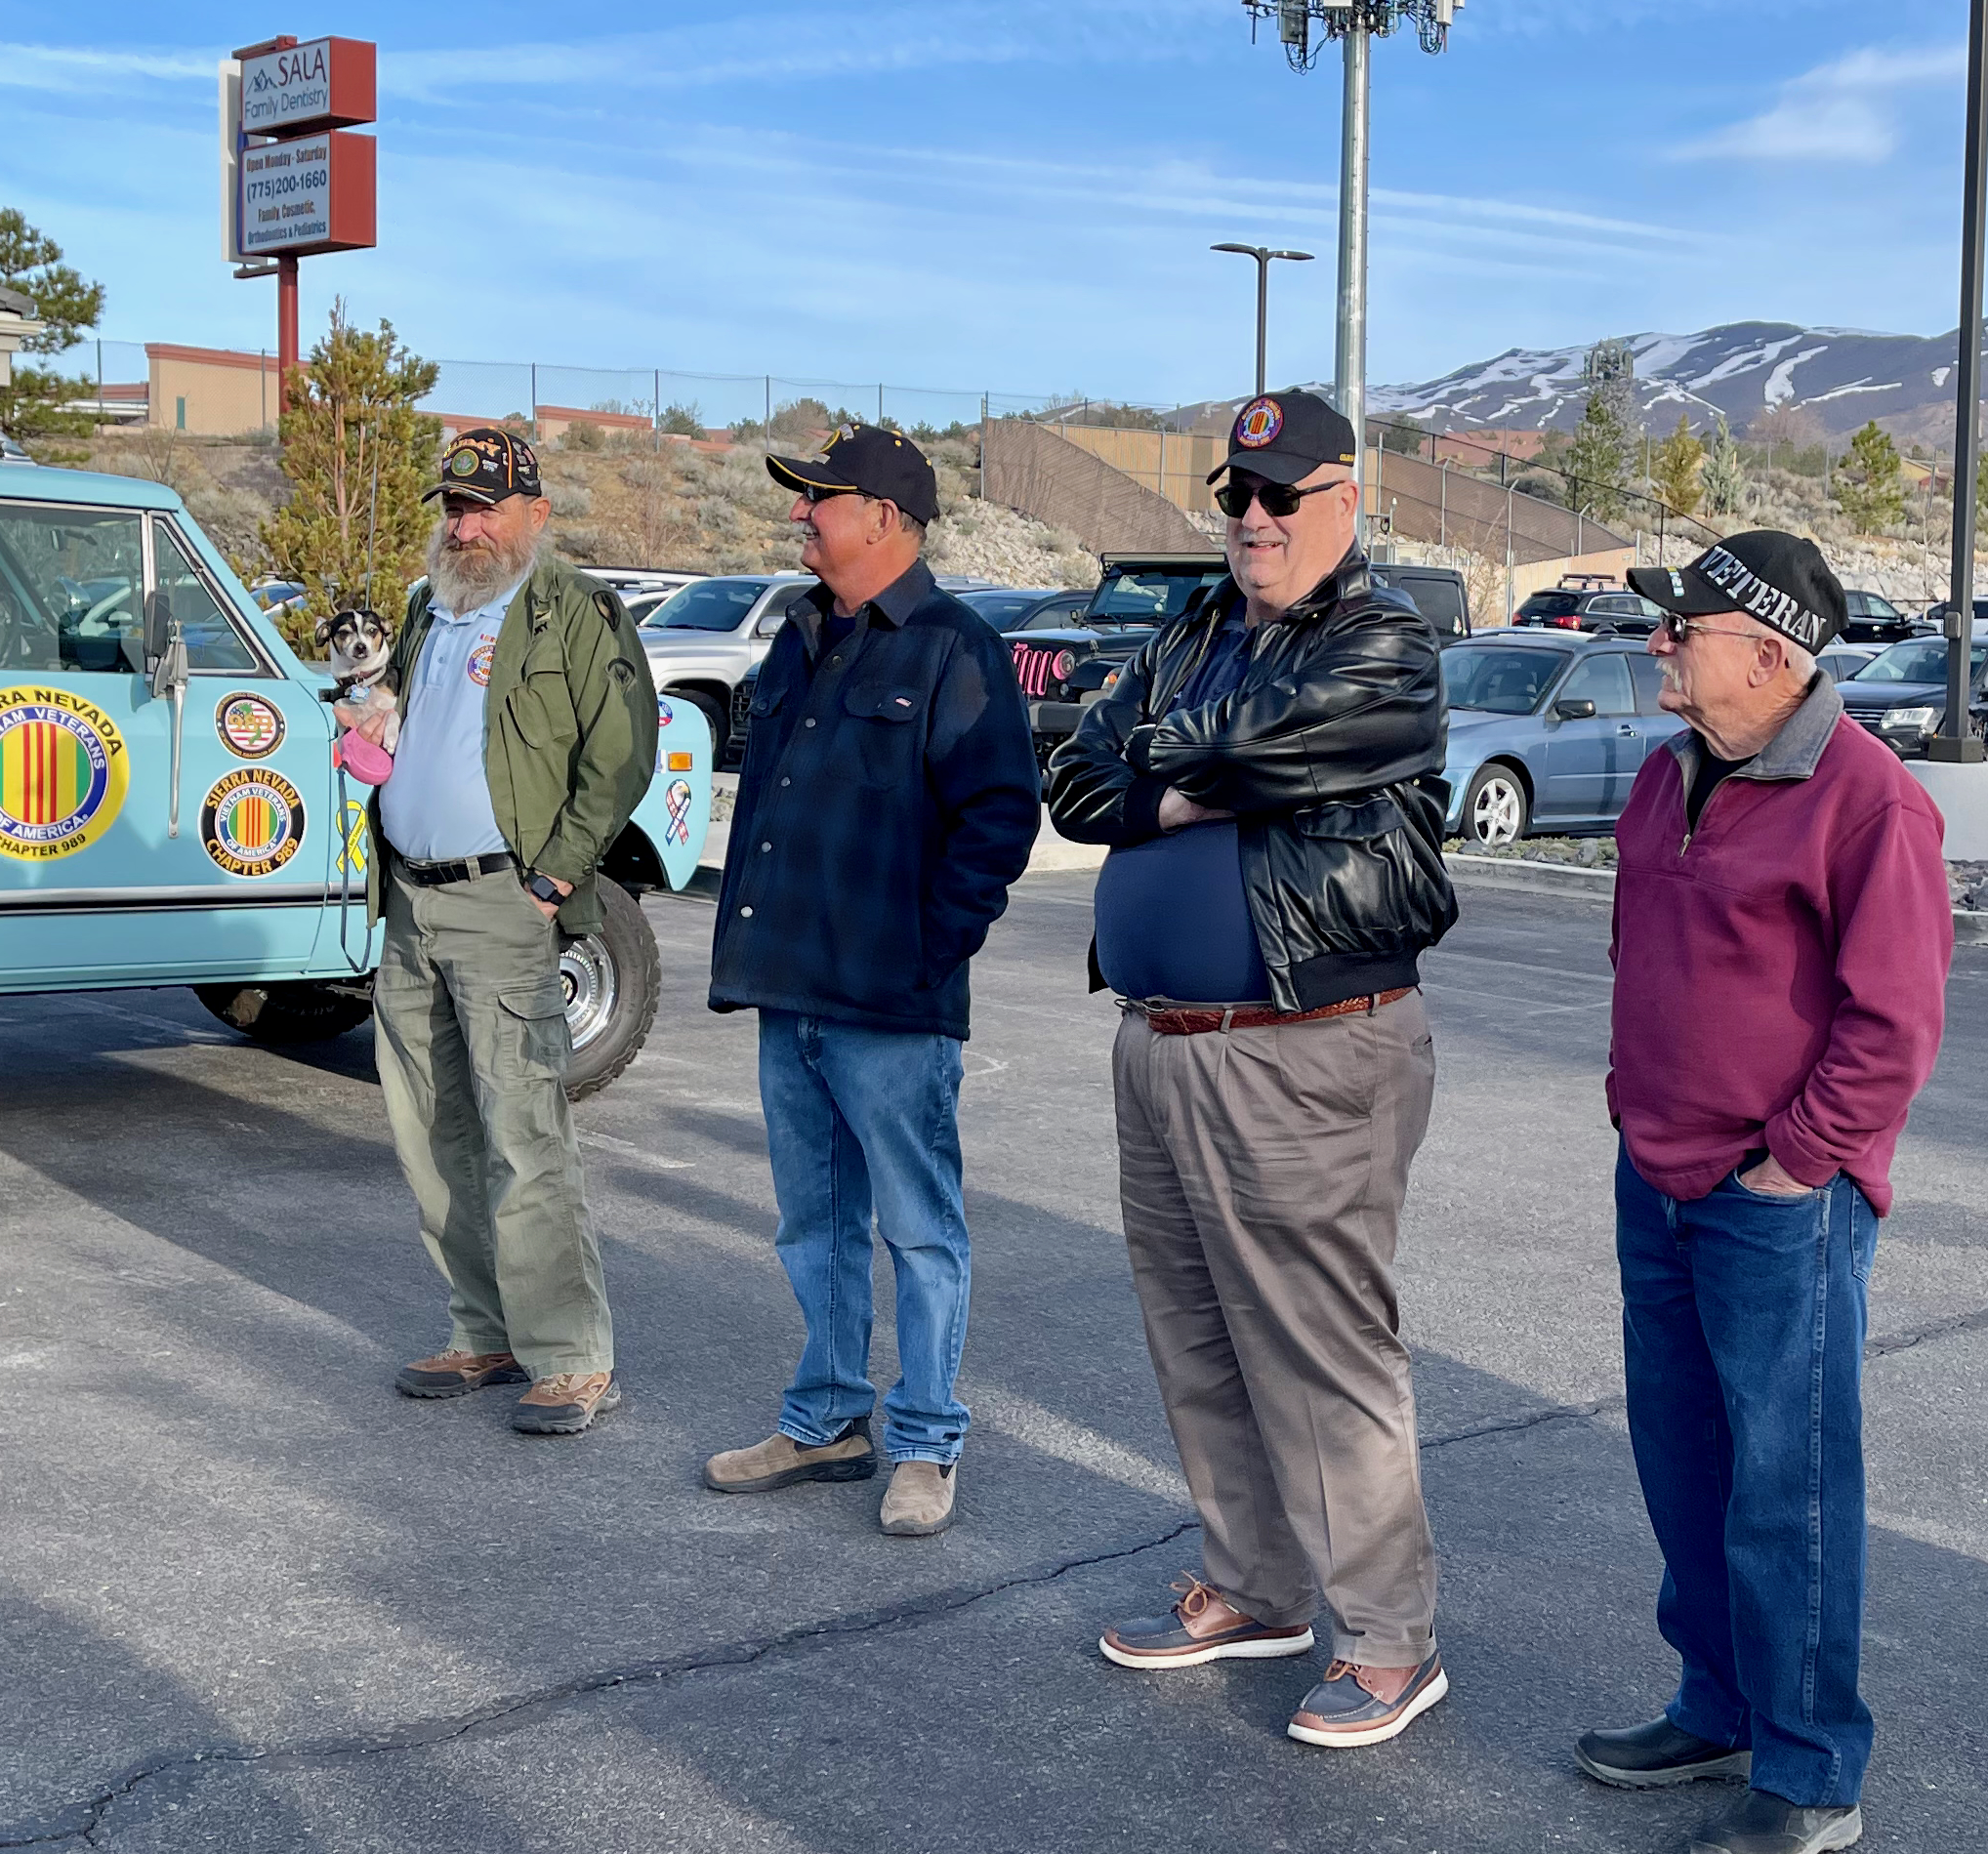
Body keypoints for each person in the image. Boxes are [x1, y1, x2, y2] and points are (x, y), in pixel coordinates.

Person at [1043, 391, 1459, 1748]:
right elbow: (1078, 780)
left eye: (1282, 494)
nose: (1255, 519)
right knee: (1198, 1333)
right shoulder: (1192, 628)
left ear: (1346, 498)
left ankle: (1388, 1640)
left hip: (1305, 1046)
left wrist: (1178, 761)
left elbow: (1267, 743)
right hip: (1162, 1040)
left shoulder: (1384, 638)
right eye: (1237, 495)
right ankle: (1257, 1585)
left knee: (1323, 1348)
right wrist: (1195, 774)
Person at [1578, 535, 1949, 1854]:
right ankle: (1719, 1703)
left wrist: (1795, 1158)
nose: (1660, 644)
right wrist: (1635, 1101)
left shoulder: (1872, 803)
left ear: (1773, 655)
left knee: (1787, 1489)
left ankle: (1810, 1773)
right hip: (1657, 1174)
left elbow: (1893, 1026)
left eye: (1684, 629)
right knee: (1684, 1461)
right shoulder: (1668, 772)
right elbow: (1640, 949)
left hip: (1777, 1199)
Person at [700, 424, 1038, 1538]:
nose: (801, 514)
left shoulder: (953, 648)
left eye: (821, 499)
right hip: (791, 988)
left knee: (920, 1230)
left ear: (885, 518)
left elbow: (997, 822)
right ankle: (826, 1420)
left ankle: (927, 1441)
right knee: (815, 1224)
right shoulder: (802, 637)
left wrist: (926, 955)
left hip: (891, 1007)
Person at [362, 426, 658, 1436]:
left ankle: (570, 1357)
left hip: (503, 903)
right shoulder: (428, 608)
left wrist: (553, 878)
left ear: (535, 512)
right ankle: (481, 1330)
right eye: (455, 508)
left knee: (524, 1133)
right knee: (431, 1130)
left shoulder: (575, 610)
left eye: (485, 508)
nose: (466, 528)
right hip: (410, 903)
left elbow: (620, 755)